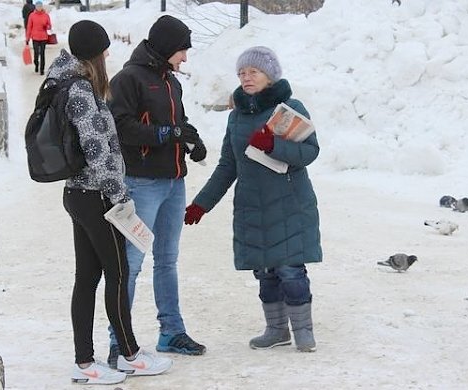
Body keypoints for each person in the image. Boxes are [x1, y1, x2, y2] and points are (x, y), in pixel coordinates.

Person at [46, 20, 172, 385]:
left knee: (87, 277)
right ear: (95, 54)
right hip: (96, 196)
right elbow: (97, 151)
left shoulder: (61, 83)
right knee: (116, 274)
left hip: (77, 192)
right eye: (103, 51)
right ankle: (129, 355)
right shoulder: (82, 91)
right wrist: (119, 197)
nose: (107, 56)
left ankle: (84, 361)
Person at [184, 46, 322, 352]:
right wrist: (201, 203)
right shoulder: (236, 117)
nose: (246, 78)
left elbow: (310, 153)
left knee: (291, 271)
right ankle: (276, 330)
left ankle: (303, 331)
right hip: (252, 208)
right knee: (266, 271)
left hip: (289, 205)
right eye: (241, 73)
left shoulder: (290, 107)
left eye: (253, 72)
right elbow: (227, 166)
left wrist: (274, 145)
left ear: (269, 76)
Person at [106, 15, 207, 367]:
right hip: (142, 184)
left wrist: (192, 139)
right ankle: (120, 342)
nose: (185, 59)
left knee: (167, 260)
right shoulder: (128, 79)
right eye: (182, 51)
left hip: (173, 183)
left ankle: (171, 332)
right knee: (130, 264)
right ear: (167, 47)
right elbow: (121, 128)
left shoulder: (170, 82)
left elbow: (176, 124)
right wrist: (168, 135)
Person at [25, 1, 51, 75]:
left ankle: (42, 69)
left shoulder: (46, 15)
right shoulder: (32, 15)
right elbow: (29, 27)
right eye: (38, 6)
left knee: (42, 54)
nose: (39, 8)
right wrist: (27, 38)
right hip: (35, 37)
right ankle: (36, 64)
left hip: (43, 37)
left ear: (42, 7)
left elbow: (49, 25)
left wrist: (47, 26)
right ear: (35, 7)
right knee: (36, 53)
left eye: (40, 6)